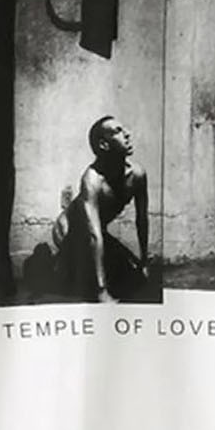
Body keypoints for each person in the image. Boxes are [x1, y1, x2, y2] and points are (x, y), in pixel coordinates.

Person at [46, 115, 156, 303]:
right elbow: (94, 235)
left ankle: (68, 267)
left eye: (124, 129)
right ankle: (59, 264)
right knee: (85, 282)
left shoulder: (138, 174)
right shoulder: (92, 180)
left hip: (97, 233)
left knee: (135, 276)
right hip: (68, 231)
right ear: (104, 145)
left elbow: (142, 219)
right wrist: (101, 291)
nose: (127, 134)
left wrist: (144, 262)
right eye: (118, 132)